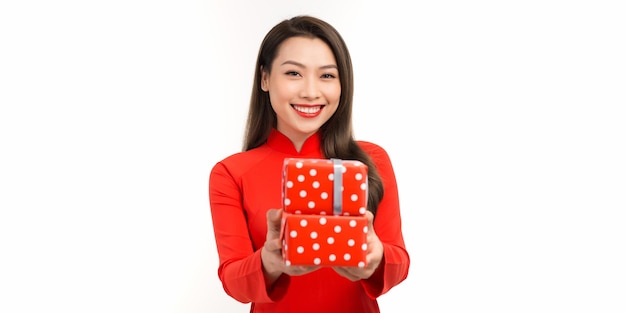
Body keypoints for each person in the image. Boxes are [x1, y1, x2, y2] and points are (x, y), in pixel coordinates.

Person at [208, 15, 410, 313]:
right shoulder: (231, 173)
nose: (311, 92)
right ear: (264, 78)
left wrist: (376, 257)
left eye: (327, 76)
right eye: (294, 73)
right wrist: (268, 261)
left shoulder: (371, 160)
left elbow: (399, 264)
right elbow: (233, 281)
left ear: (343, 84)